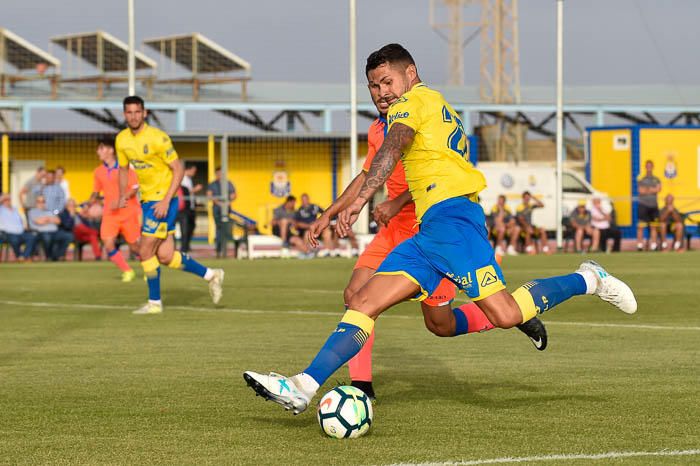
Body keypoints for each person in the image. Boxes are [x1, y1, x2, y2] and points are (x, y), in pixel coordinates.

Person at [303, 75, 547, 399]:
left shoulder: (421, 117)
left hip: (426, 229)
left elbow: (437, 177)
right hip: (392, 231)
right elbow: (366, 174)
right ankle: (362, 385)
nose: (381, 93)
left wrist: (397, 200)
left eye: (386, 84)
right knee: (355, 296)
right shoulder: (379, 128)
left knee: (440, 325)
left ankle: (512, 313)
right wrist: (330, 212)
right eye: (374, 87)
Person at [116, 95, 224, 314]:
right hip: (147, 200)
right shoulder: (121, 140)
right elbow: (123, 169)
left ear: (144, 113)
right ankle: (212, 275)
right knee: (165, 256)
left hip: (162, 201)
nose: (134, 116)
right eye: (130, 112)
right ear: (124, 114)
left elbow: (178, 169)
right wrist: (123, 194)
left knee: (145, 251)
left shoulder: (158, 138)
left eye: (138, 112)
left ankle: (154, 303)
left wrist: (166, 200)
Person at [91, 136, 142, 280]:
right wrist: (89, 204)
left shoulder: (124, 167)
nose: (98, 151)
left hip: (128, 213)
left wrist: (121, 199)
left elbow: (134, 188)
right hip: (110, 214)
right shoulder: (98, 171)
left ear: (110, 150)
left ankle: (150, 269)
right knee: (108, 244)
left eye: (101, 148)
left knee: (134, 248)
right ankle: (127, 271)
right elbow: (96, 191)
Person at [28, 195, 71, 261]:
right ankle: (50, 256)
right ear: (36, 202)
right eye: (39, 201)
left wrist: (46, 219)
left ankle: (59, 255)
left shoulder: (49, 211)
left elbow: (58, 221)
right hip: (41, 232)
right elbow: (39, 222)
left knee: (68, 236)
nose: (41, 203)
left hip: (55, 231)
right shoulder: (32, 211)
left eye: (43, 201)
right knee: (47, 238)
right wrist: (51, 219)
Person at [207, 167, 236, 258]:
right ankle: (219, 249)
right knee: (219, 228)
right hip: (217, 209)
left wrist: (228, 202)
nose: (220, 175)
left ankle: (224, 248)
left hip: (226, 209)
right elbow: (209, 195)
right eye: (218, 173)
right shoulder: (212, 184)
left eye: (221, 173)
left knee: (226, 228)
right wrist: (218, 203)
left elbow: (233, 194)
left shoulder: (228, 183)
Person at [0, 193, 37, 261]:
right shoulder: (1, 209)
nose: (8, 201)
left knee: (32, 237)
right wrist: (2, 198)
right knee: (14, 240)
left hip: (21, 232)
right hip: (7, 233)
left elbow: (21, 219)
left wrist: (24, 226)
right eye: (6, 199)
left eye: (9, 199)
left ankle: (24, 256)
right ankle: (20, 256)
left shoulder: (15, 209)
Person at [636, 160, 661, 251]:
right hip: (643, 205)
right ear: (645, 167)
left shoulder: (656, 179)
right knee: (641, 226)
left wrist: (647, 189)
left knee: (653, 226)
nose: (649, 168)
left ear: (653, 167)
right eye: (647, 166)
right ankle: (639, 245)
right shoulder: (641, 179)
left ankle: (653, 245)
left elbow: (658, 189)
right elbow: (641, 191)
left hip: (653, 206)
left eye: (650, 166)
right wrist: (651, 189)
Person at [179, 164, 202, 253]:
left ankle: (187, 246)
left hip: (190, 207)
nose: (194, 173)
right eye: (193, 171)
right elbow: (185, 192)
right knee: (184, 228)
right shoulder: (182, 179)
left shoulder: (189, 179)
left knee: (191, 227)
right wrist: (195, 189)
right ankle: (183, 248)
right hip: (184, 208)